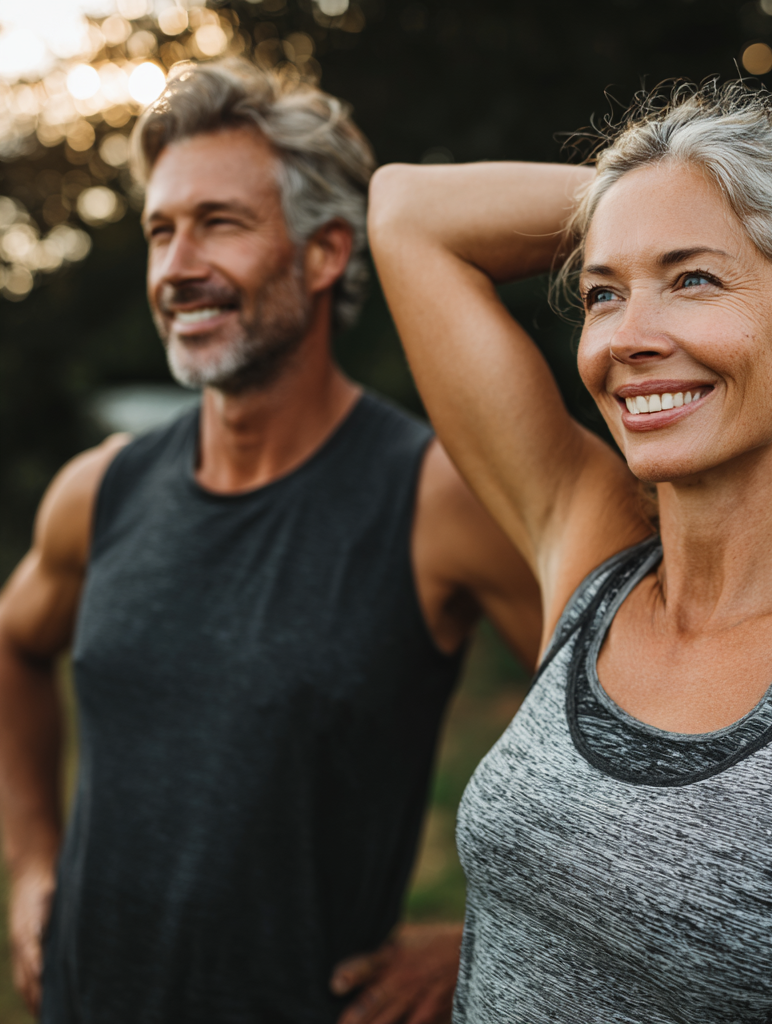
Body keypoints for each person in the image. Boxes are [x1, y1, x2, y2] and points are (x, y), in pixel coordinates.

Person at [368, 82, 772, 1021]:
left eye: (694, 279)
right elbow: (404, 210)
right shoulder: (589, 551)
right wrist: (649, 192)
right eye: (604, 293)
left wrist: (734, 195)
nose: (628, 338)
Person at [0, 59, 541, 1024]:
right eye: (161, 231)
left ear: (326, 254)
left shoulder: (434, 497)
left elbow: (639, 731)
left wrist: (497, 938)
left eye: (220, 223)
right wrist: (33, 862)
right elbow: (13, 642)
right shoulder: (101, 489)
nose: (176, 268)